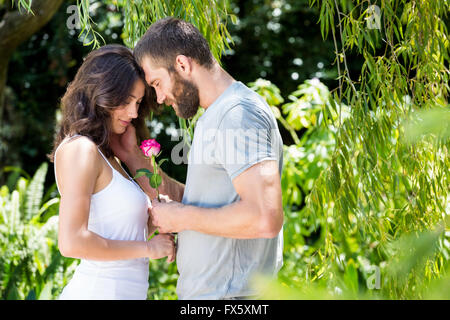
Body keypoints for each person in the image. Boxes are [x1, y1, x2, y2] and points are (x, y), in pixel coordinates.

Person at [111, 17, 284, 300]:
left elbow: (265, 217)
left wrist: (182, 218)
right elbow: (200, 203)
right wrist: (132, 156)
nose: (161, 97)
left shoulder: (238, 115)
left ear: (182, 64)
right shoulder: (215, 116)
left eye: (157, 83)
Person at [49, 44, 176, 300]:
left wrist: (131, 156)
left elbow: (122, 227)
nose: (133, 113)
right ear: (101, 92)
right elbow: (72, 242)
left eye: (138, 102)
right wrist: (149, 248)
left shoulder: (108, 156)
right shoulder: (80, 150)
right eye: (126, 101)